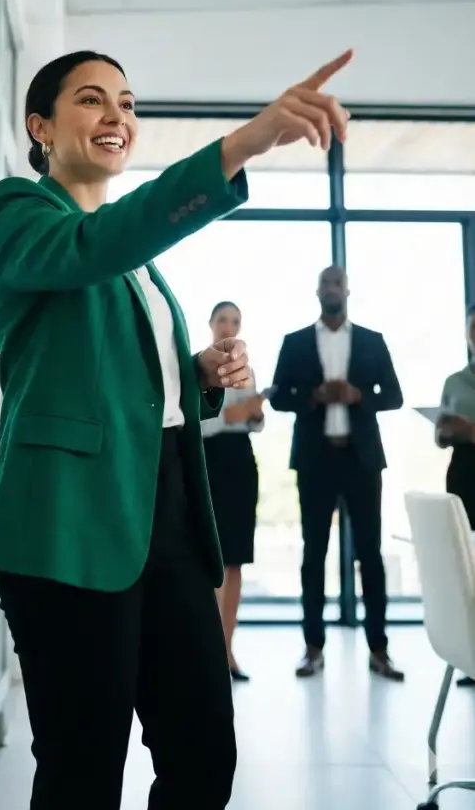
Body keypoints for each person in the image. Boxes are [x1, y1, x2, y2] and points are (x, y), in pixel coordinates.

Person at [0, 46, 352, 810]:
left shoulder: (136, 264)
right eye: (91, 100)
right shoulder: (19, 212)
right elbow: (89, 249)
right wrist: (242, 143)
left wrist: (196, 375)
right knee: (83, 770)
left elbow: (121, 377)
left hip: (168, 518)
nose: (117, 116)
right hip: (69, 527)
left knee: (202, 751)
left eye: (127, 102)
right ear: (40, 126)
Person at [270, 266, 404, 681]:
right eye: (326, 283)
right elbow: (277, 398)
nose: (332, 288)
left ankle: (379, 651)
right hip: (316, 460)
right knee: (314, 555)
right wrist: (313, 397)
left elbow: (394, 396)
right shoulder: (294, 343)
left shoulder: (371, 341)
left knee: (371, 556)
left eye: (338, 282)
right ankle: (313, 649)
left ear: (348, 290)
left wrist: (358, 395)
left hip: (361, 461)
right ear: (317, 291)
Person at [200, 301, 264, 682]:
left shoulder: (248, 371)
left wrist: (254, 416)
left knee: (236, 559)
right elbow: (194, 424)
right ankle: (206, 652)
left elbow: (253, 423)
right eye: (223, 319)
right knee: (211, 558)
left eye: (235, 321)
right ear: (210, 324)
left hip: (241, 464)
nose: (228, 326)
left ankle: (227, 651)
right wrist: (230, 416)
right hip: (209, 463)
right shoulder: (199, 368)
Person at [436, 303, 475, 686]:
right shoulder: (454, 381)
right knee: (467, 566)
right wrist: (449, 429)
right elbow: (440, 436)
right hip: (463, 473)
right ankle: (470, 657)